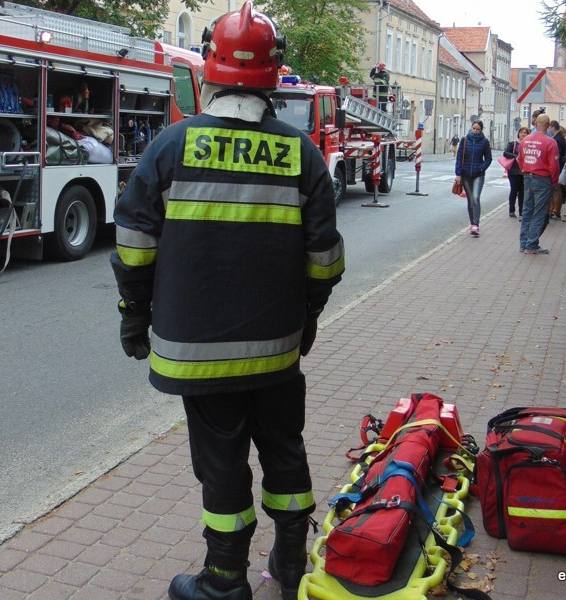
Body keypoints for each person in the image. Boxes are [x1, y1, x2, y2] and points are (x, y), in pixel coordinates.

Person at [110, 4, 344, 600]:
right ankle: (290, 563)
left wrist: (135, 314)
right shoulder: (303, 154)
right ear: (274, 73)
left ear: (210, 69)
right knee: (284, 449)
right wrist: (308, 315)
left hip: (198, 352)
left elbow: (134, 246)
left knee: (221, 463)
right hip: (277, 350)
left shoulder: (169, 147)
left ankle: (223, 581)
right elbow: (325, 259)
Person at [517, 113, 559, 254]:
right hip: (543, 179)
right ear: (548, 126)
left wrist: (525, 171)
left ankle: (523, 244)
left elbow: (520, 159)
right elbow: (554, 166)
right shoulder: (550, 142)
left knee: (527, 211)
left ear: (535, 124)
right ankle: (531, 244)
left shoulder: (525, 140)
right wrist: (554, 182)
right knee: (539, 213)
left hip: (528, 177)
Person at [455, 120, 492, 236]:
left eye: (478, 129)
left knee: (476, 198)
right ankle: (472, 224)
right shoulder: (465, 140)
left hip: (478, 175)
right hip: (465, 174)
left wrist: (481, 168)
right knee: (470, 199)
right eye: (474, 128)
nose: (475, 131)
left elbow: (488, 159)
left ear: (481, 130)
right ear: (471, 128)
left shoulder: (484, 142)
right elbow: (459, 157)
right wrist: (458, 174)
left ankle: (476, 224)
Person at [503, 127, 528, 218]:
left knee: (522, 192)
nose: (523, 134)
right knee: (514, 190)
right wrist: (515, 156)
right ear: (518, 134)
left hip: (524, 171)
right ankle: (511, 210)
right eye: (521, 132)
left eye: (525, 133)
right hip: (514, 171)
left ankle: (521, 211)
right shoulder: (513, 143)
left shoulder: (529, 144)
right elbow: (505, 153)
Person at [547, 120, 566, 219]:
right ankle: (553, 209)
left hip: (558, 167)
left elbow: (556, 156)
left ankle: (556, 210)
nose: (549, 130)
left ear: (553, 127)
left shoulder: (557, 139)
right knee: (555, 190)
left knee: (556, 190)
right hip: (559, 165)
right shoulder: (559, 137)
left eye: (549, 128)